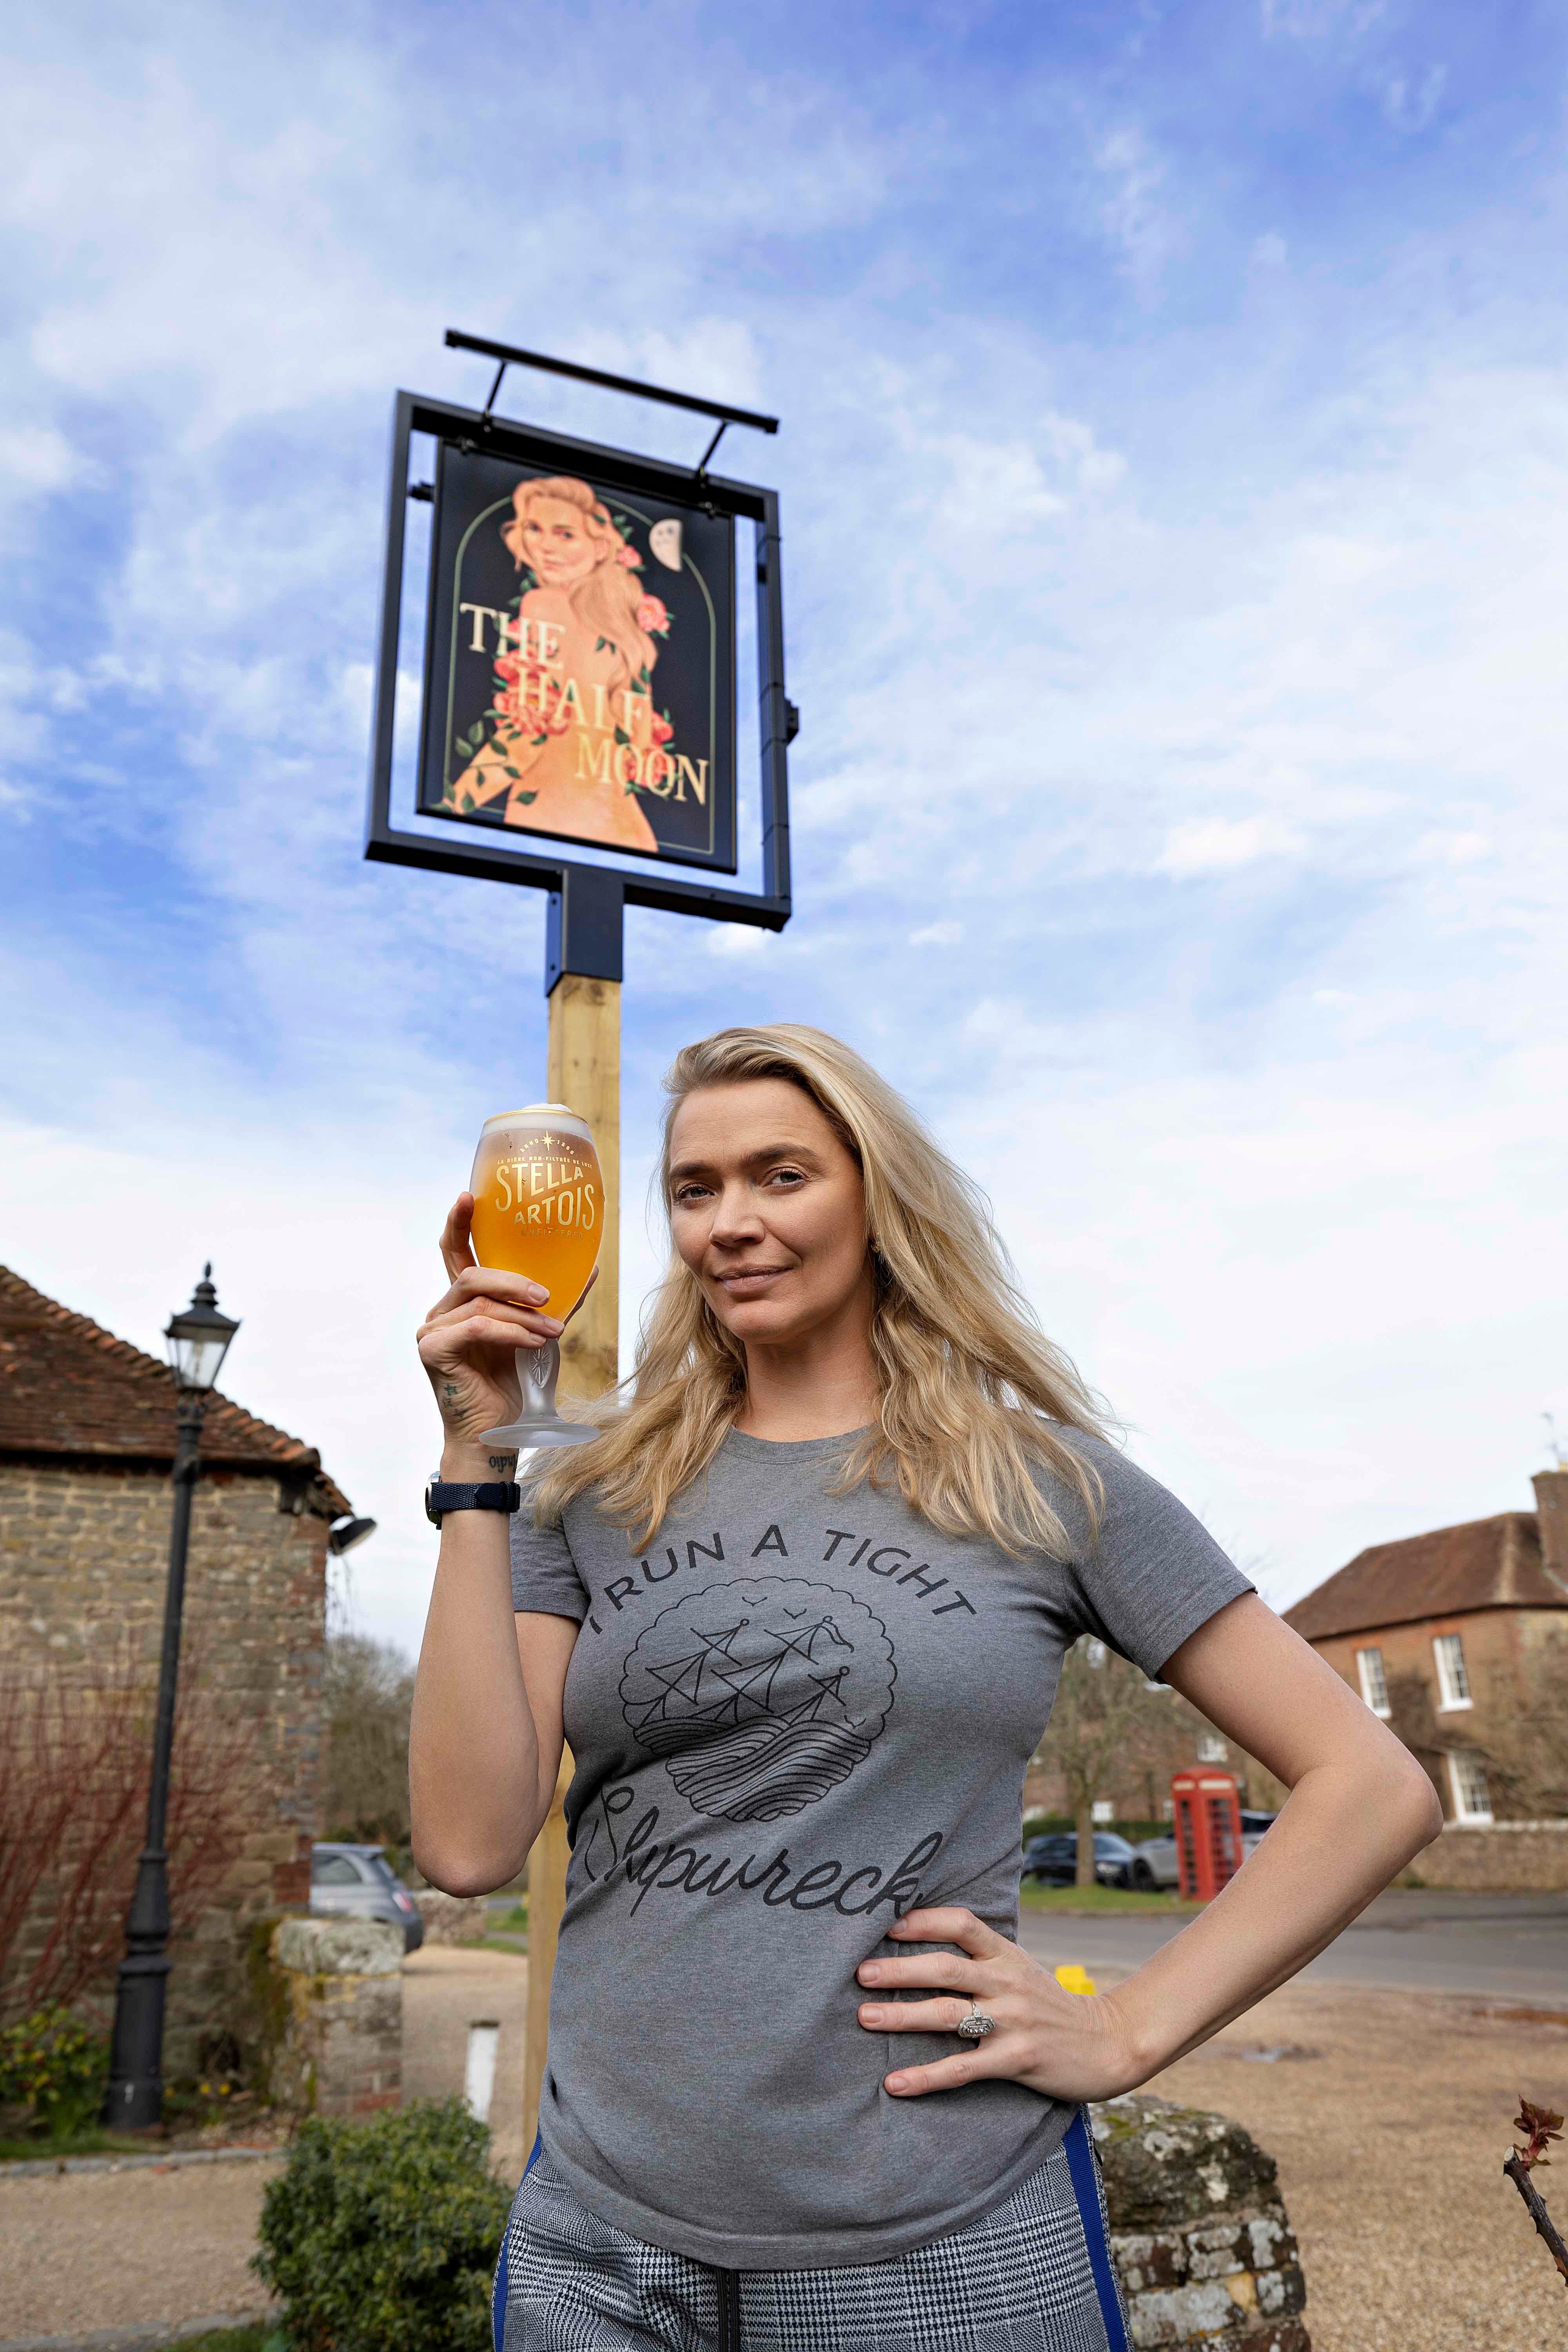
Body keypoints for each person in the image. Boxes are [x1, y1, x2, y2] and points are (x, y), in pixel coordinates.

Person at [410, 1024, 1440, 2352]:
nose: (731, 1222)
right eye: (695, 1187)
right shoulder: (592, 1488)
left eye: (782, 1175)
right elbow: (469, 1841)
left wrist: (1124, 2029)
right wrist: (477, 1453)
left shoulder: (1047, 1485)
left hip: (939, 2243)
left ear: (874, 1192)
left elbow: (1371, 1784)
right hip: (605, 2240)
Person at [448, 474, 666, 855]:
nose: (546, 547)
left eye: (565, 535)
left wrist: (451, 806)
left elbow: (528, 733)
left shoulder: (543, 606)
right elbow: (640, 752)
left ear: (600, 548)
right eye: (534, 529)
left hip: (553, 816)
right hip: (628, 833)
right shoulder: (629, 635)